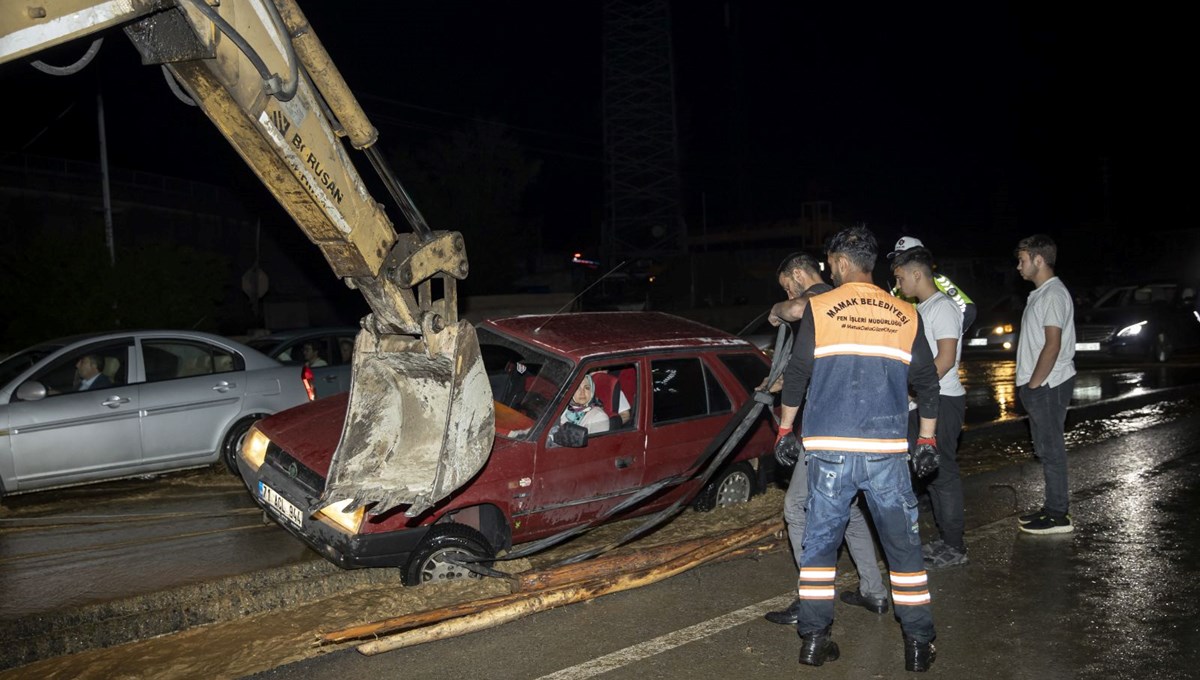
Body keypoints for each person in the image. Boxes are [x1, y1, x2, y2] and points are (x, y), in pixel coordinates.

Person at [777, 226, 941, 671]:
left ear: (844, 263)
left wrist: (784, 430)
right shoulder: (906, 313)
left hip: (828, 451)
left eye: (830, 263)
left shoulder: (821, 307)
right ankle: (918, 644)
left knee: (818, 550)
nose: (828, 270)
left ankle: (813, 640)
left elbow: (797, 375)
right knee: (903, 551)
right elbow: (928, 382)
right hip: (886, 452)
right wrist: (926, 438)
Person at [764, 252, 892, 626]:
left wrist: (778, 306)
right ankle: (874, 591)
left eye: (787, 285)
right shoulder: (860, 307)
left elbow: (801, 309)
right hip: (866, 425)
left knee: (797, 508)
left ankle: (812, 600)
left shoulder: (825, 300)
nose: (787, 293)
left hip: (828, 431)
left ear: (799, 275)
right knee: (850, 511)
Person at [892, 247, 969, 568]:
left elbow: (946, 359)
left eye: (899, 278)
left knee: (943, 474)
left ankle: (955, 546)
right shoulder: (922, 309)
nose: (897, 285)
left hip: (943, 401)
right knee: (932, 475)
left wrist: (916, 388)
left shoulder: (944, 308)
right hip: (923, 402)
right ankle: (946, 540)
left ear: (917, 274)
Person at [1013, 234, 1077, 535]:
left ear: (1039, 260)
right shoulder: (1042, 293)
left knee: (1051, 449)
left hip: (1049, 384)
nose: (1018, 266)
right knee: (1044, 447)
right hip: (1042, 384)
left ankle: (1058, 515)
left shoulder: (1052, 294)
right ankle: (1052, 507)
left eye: (1022, 260)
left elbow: (1053, 344)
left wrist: (1035, 384)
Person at [888, 236, 977, 332]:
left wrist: (952, 333)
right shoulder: (896, 290)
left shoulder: (939, 281)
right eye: (896, 257)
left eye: (905, 257)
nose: (899, 261)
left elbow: (968, 309)